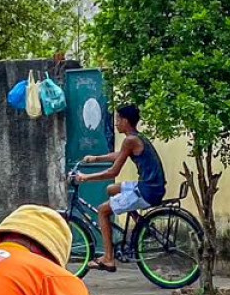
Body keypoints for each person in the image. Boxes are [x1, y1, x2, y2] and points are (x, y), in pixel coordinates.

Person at [70, 104, 167, 272]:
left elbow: (113, 171)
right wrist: (95, 159)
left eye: (118, 119)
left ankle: (108, 258)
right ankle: (140, 222)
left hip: (147, 191)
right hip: (151, 186)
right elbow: (120, 154)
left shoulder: (130, 140)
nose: (116, 123)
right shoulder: (135, 138)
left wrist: (85, 178)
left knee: (103, 211)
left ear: (126, 121)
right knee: (111, 189)